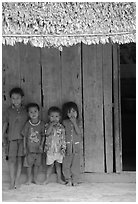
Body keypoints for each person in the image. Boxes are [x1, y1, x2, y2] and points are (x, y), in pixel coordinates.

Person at [2, 87, 28, 189]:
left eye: (17, 98)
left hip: (23, 139)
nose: (15, 100)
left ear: (22, 98)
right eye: (13, 98)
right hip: (12, 138)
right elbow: (5, 123)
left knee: (20, 160)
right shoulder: (8, 111)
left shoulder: (26, 110)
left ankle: (17, 180)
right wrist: (2, 135)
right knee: (12, 160)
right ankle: (12, 180)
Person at [21, 103, 45, 185]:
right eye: (31, 112)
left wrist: (41, 145)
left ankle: (35, 179)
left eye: (35, 111)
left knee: (37, 165)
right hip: (29, 149)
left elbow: (43, 136)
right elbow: (24, 136)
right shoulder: (27, 124)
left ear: (38, 112)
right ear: (28, 113)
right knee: (29, 165)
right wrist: (24, 147)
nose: (33, 113)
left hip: (38, 149)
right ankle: (29, 179)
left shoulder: (42, 124)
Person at [43, 106, 66, 185]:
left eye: (56, 116)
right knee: (50, 165)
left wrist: (63, 148)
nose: (54, 118)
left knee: (58, 165)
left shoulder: (61, 127)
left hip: (59, 149)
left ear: (59, 117)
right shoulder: (47, 126)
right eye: (52, 116)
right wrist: (51, 126)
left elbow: (63, 138)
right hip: (50, 149)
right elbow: (47, 133)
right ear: (49, 117)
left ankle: (59, 179)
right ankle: (47, 179)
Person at [62, 102, 82, 186]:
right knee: (66, 163)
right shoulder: (64, 122)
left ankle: (75, 179)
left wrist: (74, 123)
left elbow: (78, 132)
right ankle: (68, 179)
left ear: (77, 112)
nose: (72, 114)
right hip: (67, 146)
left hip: (76, 147)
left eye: (74, 111)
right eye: (69, 112)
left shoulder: (78, 122)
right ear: (66, 114)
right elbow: (62, 134)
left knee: (75, 164)